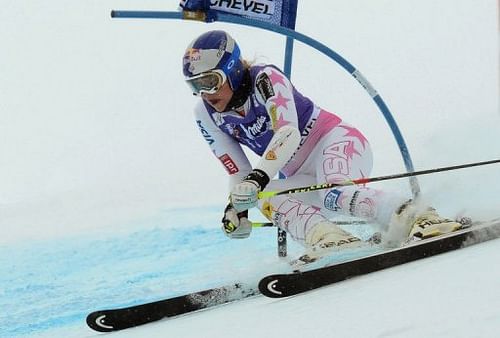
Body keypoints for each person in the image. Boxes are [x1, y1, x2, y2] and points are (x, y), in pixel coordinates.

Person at [182, 30, 462, 258]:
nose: (205, 93)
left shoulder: (265, 78)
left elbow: (287, 134)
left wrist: (255, 180)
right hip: (300, 174)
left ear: (231, 70)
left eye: (210, 81)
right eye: (195, 86)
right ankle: (329, 239)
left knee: (334, 192)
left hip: (337, 141)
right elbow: (237, 174)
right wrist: (237, 208)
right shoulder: (204, 114)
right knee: (263, 196)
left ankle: (420, 217)